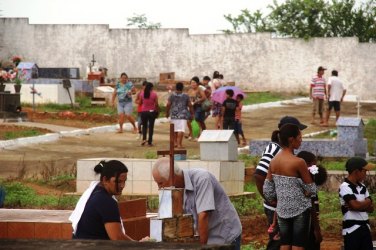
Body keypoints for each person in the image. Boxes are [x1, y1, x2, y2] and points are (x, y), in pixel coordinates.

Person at [152, 157, 242, 249]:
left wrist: (201, 248)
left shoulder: (202, 179)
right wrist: (152, 238)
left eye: (160, 183)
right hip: (207, 237)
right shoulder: (175, 192)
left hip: (225, 236)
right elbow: (169, 219)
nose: (159, 188)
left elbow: (203, 216)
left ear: (173, 177)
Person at [254, 116, 307, 250]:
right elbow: (259, 175)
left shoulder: (285, 152)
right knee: (278, 243)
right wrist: (270, 198)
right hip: (276, 209)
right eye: (298, 132)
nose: (301, 136)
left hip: (285, 206)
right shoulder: (274, 149)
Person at [263, 124, 317, 250]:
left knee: (285, 245)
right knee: (298, 246)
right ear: (291, 139)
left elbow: (268, 190)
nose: (301, 140)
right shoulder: (299, 162)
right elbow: (311, 190)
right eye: (300, 137)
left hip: (282, 210)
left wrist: (278, 199)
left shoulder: (273, 161)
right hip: (300, 210)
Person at [69, 160, 134, 240]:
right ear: (105, 180)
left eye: (124, 181)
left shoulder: (95, 192)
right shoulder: (106, 202)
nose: (122, 186)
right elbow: (117, 238)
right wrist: (140, 246)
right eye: (118, 181)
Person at [339, 157, 374, 250]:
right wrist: (366, 202)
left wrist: (359, 205)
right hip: (351, 229)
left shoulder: (363, 187)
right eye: (364, 171)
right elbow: (355, 205)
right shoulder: (345, 187)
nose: (366, 174)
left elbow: (371, 208)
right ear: (356, 171)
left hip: (365, 227)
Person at [297, 151, 328, 250]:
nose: (315, 167)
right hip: (307, 227)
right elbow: (311, 208)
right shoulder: (307, 184)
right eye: (314, 164)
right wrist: (317, 230)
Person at [166, 82, 194, 149]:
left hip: (174, 114)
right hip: (183, 115)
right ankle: (179, 144)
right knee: (181, 130)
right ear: (182, 88)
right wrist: (192, 113)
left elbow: (168, 104)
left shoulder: (172, 95)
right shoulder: (186, 95)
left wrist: (167, 113)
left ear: (176, 87)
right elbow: (190, 105)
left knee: (175, 129)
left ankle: (175, 143)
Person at [138, 82, 159, 146]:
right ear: (152, 88)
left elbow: (140, 103)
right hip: (152, 112)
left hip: (143, 112)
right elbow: (156, 104)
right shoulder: (154, 94)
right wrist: (157, 111)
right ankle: (150, 142)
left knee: (144, 126)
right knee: (151, 127)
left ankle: (144, 139)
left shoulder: (142, 94)